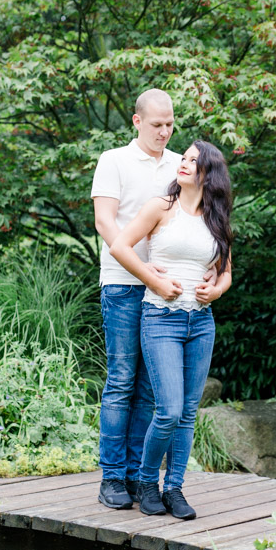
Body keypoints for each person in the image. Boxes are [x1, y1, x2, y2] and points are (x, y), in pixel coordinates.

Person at [109, 140, 233, 519]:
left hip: (200, 322)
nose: (184, 163)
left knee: (188, 413)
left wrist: (216, 289)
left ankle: (174, 488)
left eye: (193, 161)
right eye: (184, 158)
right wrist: (154, 281)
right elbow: (119, 245)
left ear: (208, 173)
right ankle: (148, 483)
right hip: (161, 317)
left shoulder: (217, 218)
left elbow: (227, 273)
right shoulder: (162, 207)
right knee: (169, 410)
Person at [91, 89, 179, 509]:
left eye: (170, 124)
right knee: (122, 381)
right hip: (124, 286)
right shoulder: (114, 161)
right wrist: (143, 272)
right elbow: (104, 221)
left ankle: (135, 476)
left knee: (149, 389)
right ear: (136, 121)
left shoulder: (182, 165)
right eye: (157, 124)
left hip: (166, 292)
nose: (164, 131)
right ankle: (111, 478)